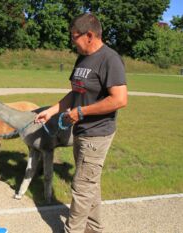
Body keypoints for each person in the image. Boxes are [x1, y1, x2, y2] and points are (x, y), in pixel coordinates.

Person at [35, 13, 127, 233]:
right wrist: (52, 110)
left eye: (74, 37)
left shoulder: (110, 59)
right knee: (89, 185)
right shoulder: (82, 58)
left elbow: (119, 99)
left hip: (98, 134)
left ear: (89, 35)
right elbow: (75, 92)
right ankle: (93, 229)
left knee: (82, 187)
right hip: (82, 131)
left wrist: (80, 112)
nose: (71, 41)